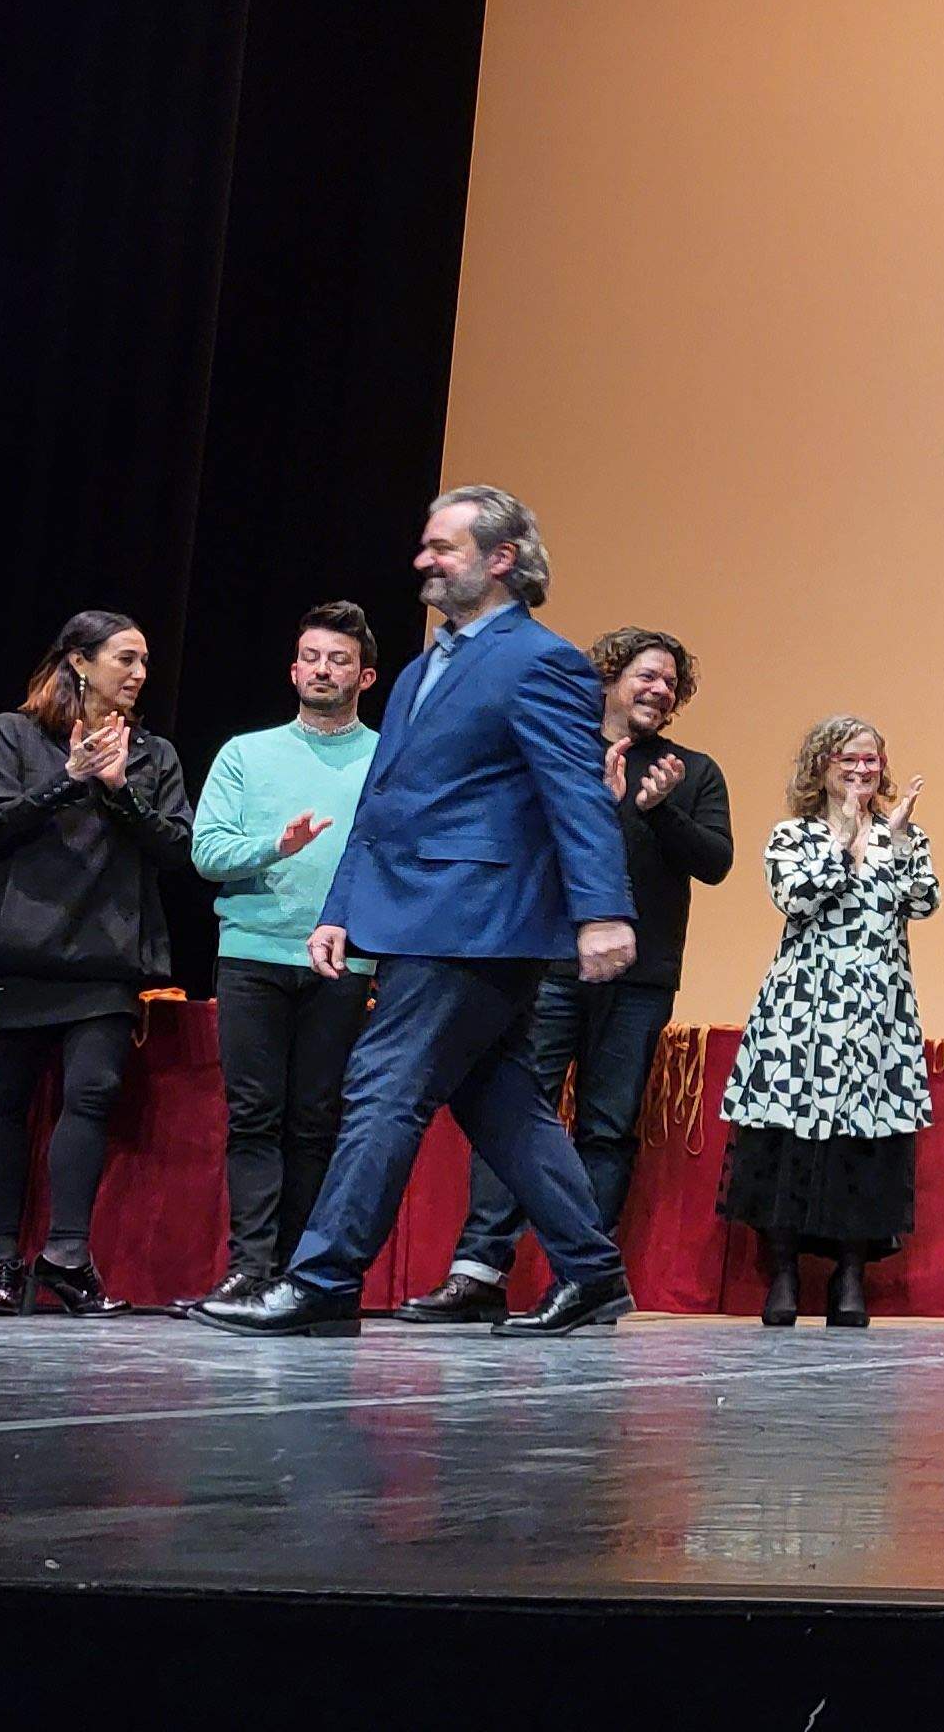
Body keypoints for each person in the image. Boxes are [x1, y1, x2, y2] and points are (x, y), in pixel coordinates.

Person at [190, 485, 643, 1340]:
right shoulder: (419, 668)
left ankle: (324, 1279)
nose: (423, 560)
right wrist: (340, 909)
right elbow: (385, 803)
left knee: (383, 1089)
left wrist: (603, 909)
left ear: (500, 559)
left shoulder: (540, 662)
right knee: (500, 1099)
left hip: (475, 916)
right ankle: (591, 1272)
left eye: (443, 546)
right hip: (416, 914)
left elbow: (576, 795)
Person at [401, 626, 733, 1325]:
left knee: (607, 1131)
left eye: (671, 682)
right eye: (647, 675)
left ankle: (583, 1281)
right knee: (517, 1114)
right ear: (610, 677)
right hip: (548, 964)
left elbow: (714, 862)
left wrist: (658, 809)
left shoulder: (691, 771)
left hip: (640, 978)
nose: (659, 689)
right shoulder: (560, 752)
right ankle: (479, 1270)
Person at [0, 611, 190, 1317]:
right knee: (7, 1102)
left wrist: (119, 789)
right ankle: (1, 1264)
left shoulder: (155, 754)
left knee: (93, 1092)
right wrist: (68, 778)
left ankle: (65, 1255)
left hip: (106, 952)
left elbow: (175, 847)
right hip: (20, 946)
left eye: (145, 660)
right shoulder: (15, 734)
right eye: (126, 658)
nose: (140, 673)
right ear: (80, 663)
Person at [185, 602, 382, 1308]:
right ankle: (251, 1266)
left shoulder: (386, 760)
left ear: (365, 675)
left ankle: (306, 1274)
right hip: (252, 954)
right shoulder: (245, 753)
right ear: (293, 668)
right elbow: (206, 852)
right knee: (254, 1115)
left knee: (317, 1119)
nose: (323, 669)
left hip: (344, 964)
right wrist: (277, 846)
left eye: (338, 659)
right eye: (311, 656)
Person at [718, 715, 936, 1329]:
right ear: (822, 767)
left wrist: (892, 841)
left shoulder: (905, 836)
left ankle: (850, 1275)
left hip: (878, 1012)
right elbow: (796, 898)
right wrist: (843, 843)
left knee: (864, 1147)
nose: (862, 770)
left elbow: (924, 901)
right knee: (791, 1140)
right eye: (848, 760)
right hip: (803, 1008)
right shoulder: (794, 836)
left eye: (871, 760)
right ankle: (784, 1273)